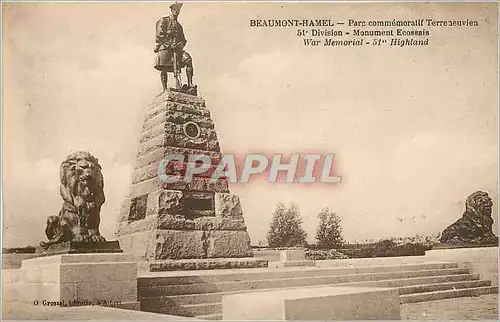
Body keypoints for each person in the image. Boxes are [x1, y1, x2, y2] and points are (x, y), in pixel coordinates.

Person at [154, 3, 195, 91]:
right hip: (165, 47)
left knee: (188, 60)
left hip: (177, 49)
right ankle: (164, 89)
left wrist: (179, 46)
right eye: (175, 10)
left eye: (178, 10)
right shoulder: (164, 20)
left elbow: (183, 40)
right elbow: (159, 35)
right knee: (164, 67)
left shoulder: (179, 26)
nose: (177, 12)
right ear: (172, 10)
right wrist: (170, 44)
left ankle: (190, 83)